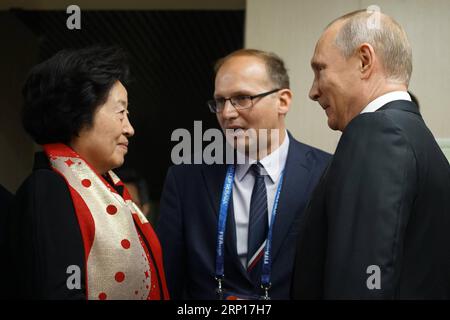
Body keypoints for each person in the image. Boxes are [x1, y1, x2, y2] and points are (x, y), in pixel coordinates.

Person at [292, 10, 450, 299]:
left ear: (364, 61)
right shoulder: (415, 136)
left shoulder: (377, 132)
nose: (313, 91)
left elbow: (365, 278)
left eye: (320, 70)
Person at [157, 49, 331, 299]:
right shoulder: (186, 180)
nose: (227, 113)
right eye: (220, 101)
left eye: (242, 98)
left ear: (283, 101)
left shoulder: (326, 174)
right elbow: (168, 283)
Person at [8, 46, 169, 300]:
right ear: (78, 113)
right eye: (121, 112)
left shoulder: (110, 187)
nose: (130, 128)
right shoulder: (50, 188)